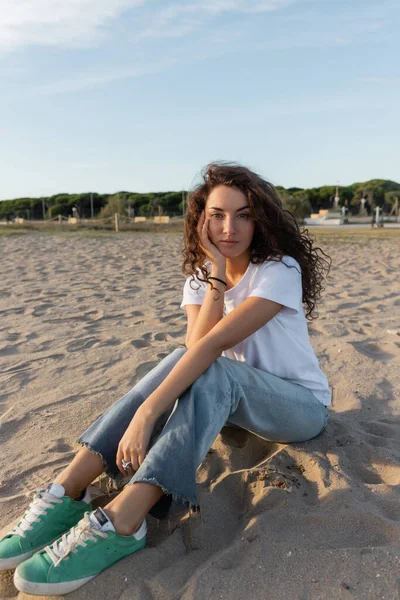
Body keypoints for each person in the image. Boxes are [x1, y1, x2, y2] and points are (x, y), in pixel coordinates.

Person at [0, 162, 332, 596]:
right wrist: (214, 271)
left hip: (298, 409)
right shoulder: (202, 277)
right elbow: (192, 348)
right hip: (232, 406)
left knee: (211, 368)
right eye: (217, 215)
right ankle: (70, 488)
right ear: (200, 220)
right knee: (186, 358)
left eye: (244, 215)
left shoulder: (278, 270)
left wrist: (149, 410)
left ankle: (125, 519)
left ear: (261, 220)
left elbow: (210, 349)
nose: (229, 227)